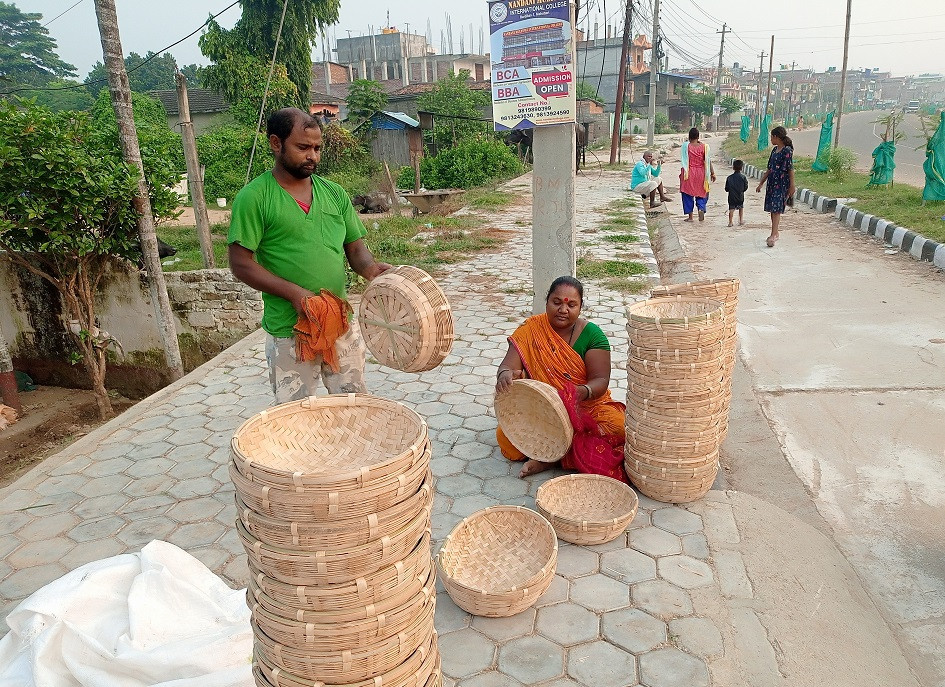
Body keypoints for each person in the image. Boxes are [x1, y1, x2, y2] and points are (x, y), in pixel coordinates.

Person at [228, 108, 391, 403]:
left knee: (354, 407)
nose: (313, 156)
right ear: (276, 143)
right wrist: (296, 295)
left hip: (339, 323)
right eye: (303, 147)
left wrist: (371, 270)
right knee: (297, 417)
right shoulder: (254, 198)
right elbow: (240, 264)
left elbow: (355, 250)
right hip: (290, 331)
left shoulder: (334, 194)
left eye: (317, 148)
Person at [495, 277, 627, 481]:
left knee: (619, 427)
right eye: (557, 302)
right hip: (544, 410)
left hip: (586, 407)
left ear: (580, 307)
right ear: (547, 301)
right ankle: (564, 453)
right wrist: (505, 374)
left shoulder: (593, 335)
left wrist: (578, 392)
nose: (563, 309)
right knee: (507, 440)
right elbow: (508, 365)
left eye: (571, 304)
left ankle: (552, 458)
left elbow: (600, 380)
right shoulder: (530, 330)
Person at [755, 125, 796, 248]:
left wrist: (792, 186)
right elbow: (769, 169)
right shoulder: (774, 151)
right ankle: (775, 232)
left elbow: (790, 169)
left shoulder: (787, 151)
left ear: (776, 137)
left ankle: (773, 234)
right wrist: (761, 183)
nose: (770, 140)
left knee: (777, 208)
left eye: (771, 137)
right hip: (772, 182)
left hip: (782, 183)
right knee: (772, 208)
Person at [679, 127, 716, 222]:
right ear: (698, 136)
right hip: (701, 173)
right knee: (702, 192)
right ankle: (701, 208)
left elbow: (684, 161)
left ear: (689, 136)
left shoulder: (685, 146)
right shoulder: (704, 147)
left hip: (689, 173)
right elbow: (708, 161)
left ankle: (690, 217)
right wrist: (712, 173)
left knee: (687, 194)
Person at [725, 159, 749, 227]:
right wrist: (742, 191)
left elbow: (726, 188)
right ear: (742, 168)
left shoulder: (729, 178)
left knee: (731, 209)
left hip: (731, 197)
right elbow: (746, 187)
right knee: (741, 208)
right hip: (740, 196)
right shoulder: (743, 177)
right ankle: (741, 220)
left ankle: (730, 222)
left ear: (733, 167)